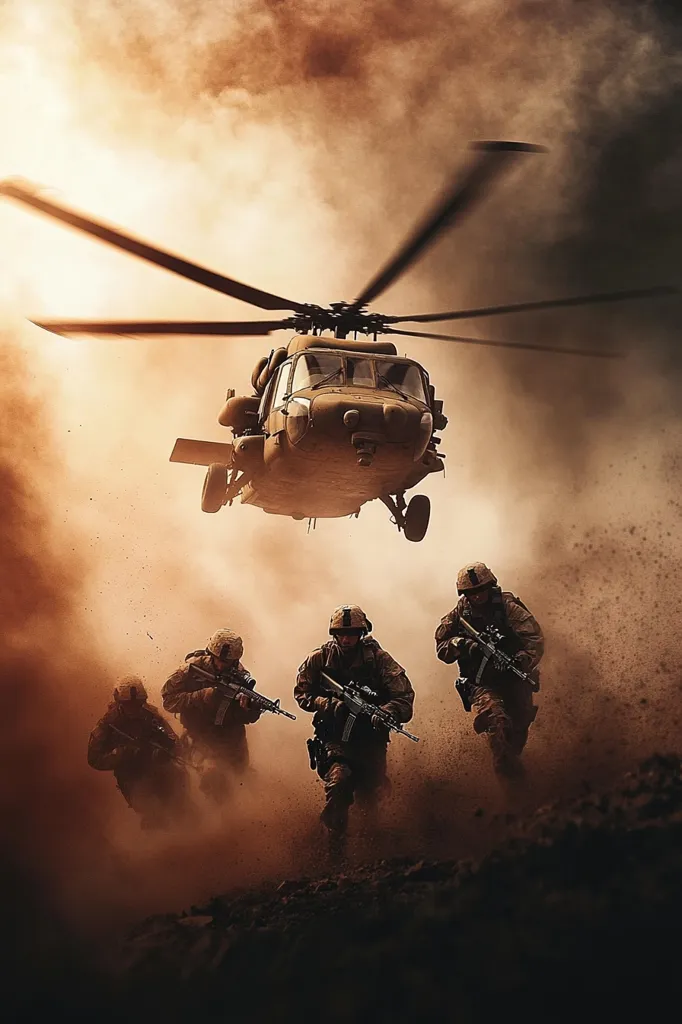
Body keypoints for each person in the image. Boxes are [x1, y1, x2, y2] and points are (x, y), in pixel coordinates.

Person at [295, 605, 415, 857]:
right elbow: (302, 694)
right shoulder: (319, 659)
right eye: (341, 633)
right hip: (334, 739)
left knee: (369, 799)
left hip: (370, 742)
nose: (346, 638)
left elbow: (404, 697)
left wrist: (387, 712)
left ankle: (370, 856)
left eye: (352, 633)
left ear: (362, 633)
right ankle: (333, 848)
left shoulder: (380, 660)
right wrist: (329, 704)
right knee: (339, 783)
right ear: (334, 634)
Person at [435, 562, 544, 782]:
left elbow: (534, 639)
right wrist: (464, 645)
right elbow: (442, 648)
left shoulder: (508, 607)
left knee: (517, 732)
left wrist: (521, 659)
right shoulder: (459, 614)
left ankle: (513, 769)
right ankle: (507, 780)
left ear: (490, 586)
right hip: (481, 683)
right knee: (496, 722)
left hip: (514, 678)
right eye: (471, 592)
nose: (477, 596)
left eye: (481, 590)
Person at [162, 628, 262, 803]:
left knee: (243, 779)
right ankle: (223, 821)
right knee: (214, 780)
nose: (223, 665)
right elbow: (168, 701)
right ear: (211, 654)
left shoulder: (241, 676)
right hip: (201, 737)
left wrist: (249, 709)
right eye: (220, 660)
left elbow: (248, 718)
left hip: (231, 738)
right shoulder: (190, 670)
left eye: (229, 662)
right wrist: (200, 696)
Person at [88, 676, 191, 828]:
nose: (134, 709)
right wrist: (124, 754)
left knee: (184, 807)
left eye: (138, 704)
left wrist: (166, 749)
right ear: (119, 703)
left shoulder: (151, 715)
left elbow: (173, 742)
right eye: (129, 705)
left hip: (158, 769)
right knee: (154, 818)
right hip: (132, 778)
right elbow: (94, 758)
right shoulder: (108, 724)